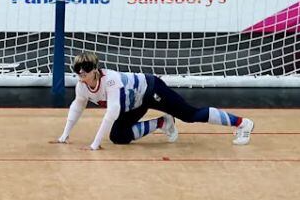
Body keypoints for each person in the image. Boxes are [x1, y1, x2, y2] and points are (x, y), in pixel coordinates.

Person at [54, 52, 254, 151]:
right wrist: (64, 135)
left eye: (85, 68)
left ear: (95, 69)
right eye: (77, 69)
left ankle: (242, 123)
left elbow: (112, 112)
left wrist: (94, 145)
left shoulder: (111, 80)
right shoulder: (81, 85)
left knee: (189, 115)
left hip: (150, 89)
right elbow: (77, 106)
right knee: (118, 137)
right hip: (134, 103)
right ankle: (162, 122)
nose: (81, 73)